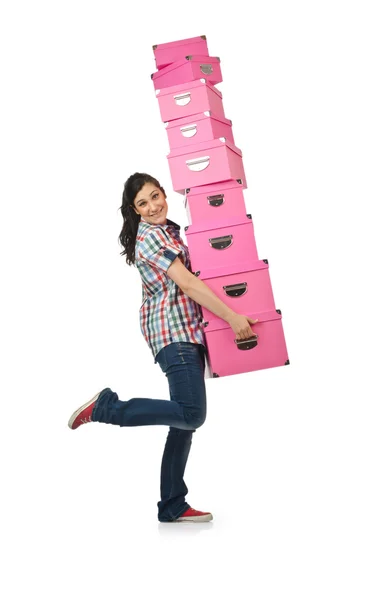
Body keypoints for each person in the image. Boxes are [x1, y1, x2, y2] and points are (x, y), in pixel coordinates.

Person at [68, 172, 258, 523]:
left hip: (187, 331)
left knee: (183, 423)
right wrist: (233, 317)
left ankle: (172, 504)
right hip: (173, 332)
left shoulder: (168, 231)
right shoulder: (152, 237)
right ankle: (107, 408)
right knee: (192, 414)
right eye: (143, 202)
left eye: (156, 196)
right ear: (134, 210)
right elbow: (187, 283)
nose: (154, 206)